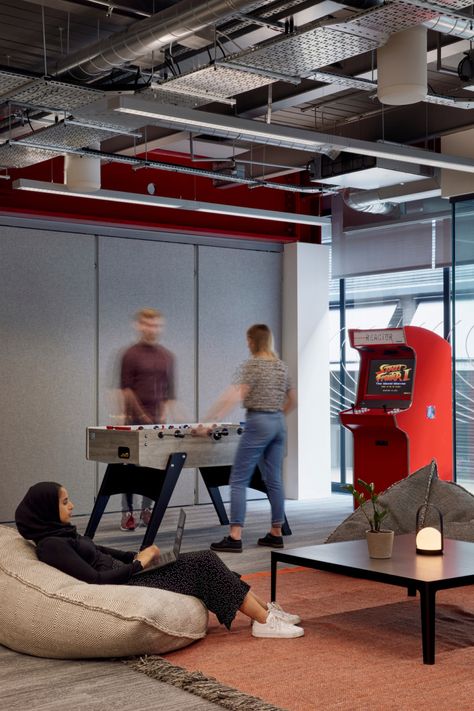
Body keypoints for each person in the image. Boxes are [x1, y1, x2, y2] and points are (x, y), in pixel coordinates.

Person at [15, 482, 304, 639]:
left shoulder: (63, 534)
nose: (72, 505)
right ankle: (264, 621)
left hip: (130, 571)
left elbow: (103, 551)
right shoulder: (52, 546)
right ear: (46, 510)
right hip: (126, 582)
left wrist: (142, 554)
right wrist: (138, 565)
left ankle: (266, 611)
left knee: (206, 560)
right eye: (64, 502)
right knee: (203, 562)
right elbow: (95, 581)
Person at [209, 324, 296, 553]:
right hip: (278, 422)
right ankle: (276, 533)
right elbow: (294, 400)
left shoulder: (251, 365)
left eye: (248, 340)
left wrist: (213, 418)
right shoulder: (281, 366)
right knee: (274, 480)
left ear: (253, 341)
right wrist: (276, 416)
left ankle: (234, 536)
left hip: (257, 421)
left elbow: (236, 394)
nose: (247, 344)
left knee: (238, 479)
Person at [119, 307, 176, 532]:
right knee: (129, 468)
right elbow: (125, 389)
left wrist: (162, 413)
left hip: (157, 422)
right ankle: (127, 513)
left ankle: (146, 510)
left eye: (156, 325)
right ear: (139, 326)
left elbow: (168, 391)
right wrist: (141, 414)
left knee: (154, 467)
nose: (152, 329)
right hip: (134, 421)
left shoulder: (166, 356)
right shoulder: (130, 354)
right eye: (147, 324)